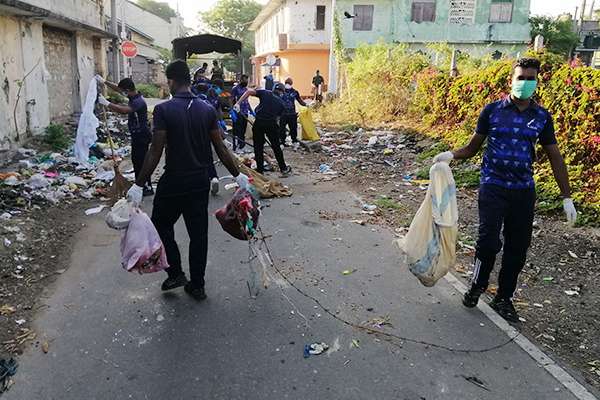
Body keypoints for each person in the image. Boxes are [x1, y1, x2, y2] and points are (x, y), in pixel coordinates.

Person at [432, 58, 577, 323]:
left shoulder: (542, 118)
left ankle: (504, 298)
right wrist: (450, 155)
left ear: (537, 82)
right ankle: (477, 284)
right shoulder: (492, 111)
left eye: (530, 78)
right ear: (511, 79)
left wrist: (567, 197)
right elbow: (473, 147)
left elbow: (554, 156)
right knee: (488, 242)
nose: (524, 83)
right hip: (493, 186)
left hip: (523, 191)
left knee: (517, 248)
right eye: (520, 78)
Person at [126, 60, 249, 301]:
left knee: (161, 225)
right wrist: (238, 174)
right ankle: (198, 285)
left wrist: (138, 184)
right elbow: (221, 148)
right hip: (200, 181)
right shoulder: (206, 110)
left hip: (173, 182)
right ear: (189, 80)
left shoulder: (163, 110)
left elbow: (155, 151)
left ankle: (176, 273)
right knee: (198, 234)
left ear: (171, 81)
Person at [96, 76, 153, 196]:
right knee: (137, 161)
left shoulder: (138, 102)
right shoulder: (132, 95)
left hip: (141, 136)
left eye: (123, 91)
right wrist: (104, 82)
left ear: (127, 90)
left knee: (141, 162)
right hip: (137, 135)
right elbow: (118, 89)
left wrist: (107, 103)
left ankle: (146, 186)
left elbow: (124, 110)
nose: (121, 93)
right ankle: (141, 184)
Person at [233, 83, 292, 176]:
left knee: (258, 147)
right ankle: (283, 168)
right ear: (282, 92)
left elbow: (248, 91)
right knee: (276, 147)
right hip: (271, 125)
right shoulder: (282, 104)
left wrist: (238, 103)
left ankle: (260, 170)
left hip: (259, 123)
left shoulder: (265, 93)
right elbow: (278, 120)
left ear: (273, 89)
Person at [280, 77, 307, 149]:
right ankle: (282, 142)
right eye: (286, 83)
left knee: (293, 128)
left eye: (289, 84)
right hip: (283, 114)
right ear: (285, 83)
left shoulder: (295, 92)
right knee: (282, 129)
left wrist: (306, 105)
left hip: (292, 114)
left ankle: (294, 141)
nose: (287, 85)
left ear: (291, 84)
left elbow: (300, 100)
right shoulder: (281, 91)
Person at [231, 74, 251, 153]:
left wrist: (251, 110)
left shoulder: (246, 89)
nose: (246, 81)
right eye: (245, 80)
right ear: (241, 80)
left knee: (243, 130)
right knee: (237, 130)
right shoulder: (235, 89)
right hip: (238, 112)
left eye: (247, 80)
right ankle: (236, 147)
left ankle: (242, 146)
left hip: (245, 112)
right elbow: (231, 99)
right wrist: (232, 110)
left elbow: (246, 101)